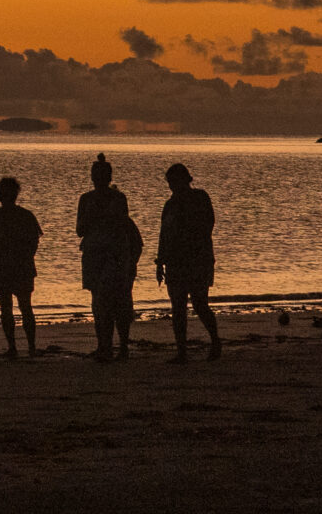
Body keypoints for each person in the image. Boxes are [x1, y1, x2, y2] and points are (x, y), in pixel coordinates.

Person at [75, 153, 144, 361]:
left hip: (114, 255)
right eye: (95, 175)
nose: (97, 179)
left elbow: (122, 225)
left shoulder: (117, 199)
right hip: (95, 255)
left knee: (118, 301)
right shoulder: (86, 199)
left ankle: (120, 346)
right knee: (99, 301)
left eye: (100, 175)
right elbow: (80, 229)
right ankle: (104, 345)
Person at [155, 161, 221, 362]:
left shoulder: (200, 198)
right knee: (178, 307)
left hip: (197, 260)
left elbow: (208, 225)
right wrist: (160, 263)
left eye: (173, 182)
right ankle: (181, 351)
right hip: (176, 262)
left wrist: (189, 243)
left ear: (184, 181)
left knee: (200, 304)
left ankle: (215, 342)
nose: (171, 187)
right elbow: (163, 235)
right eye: (170, 183)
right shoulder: (170, 205)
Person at [0, 177, 44, 358]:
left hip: (1, 267)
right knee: (25, 307)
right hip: (20, 267)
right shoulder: (26, 216)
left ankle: (13, 347)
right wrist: (26, 257)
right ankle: (31, 347)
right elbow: (34, 242)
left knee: (6, 308)